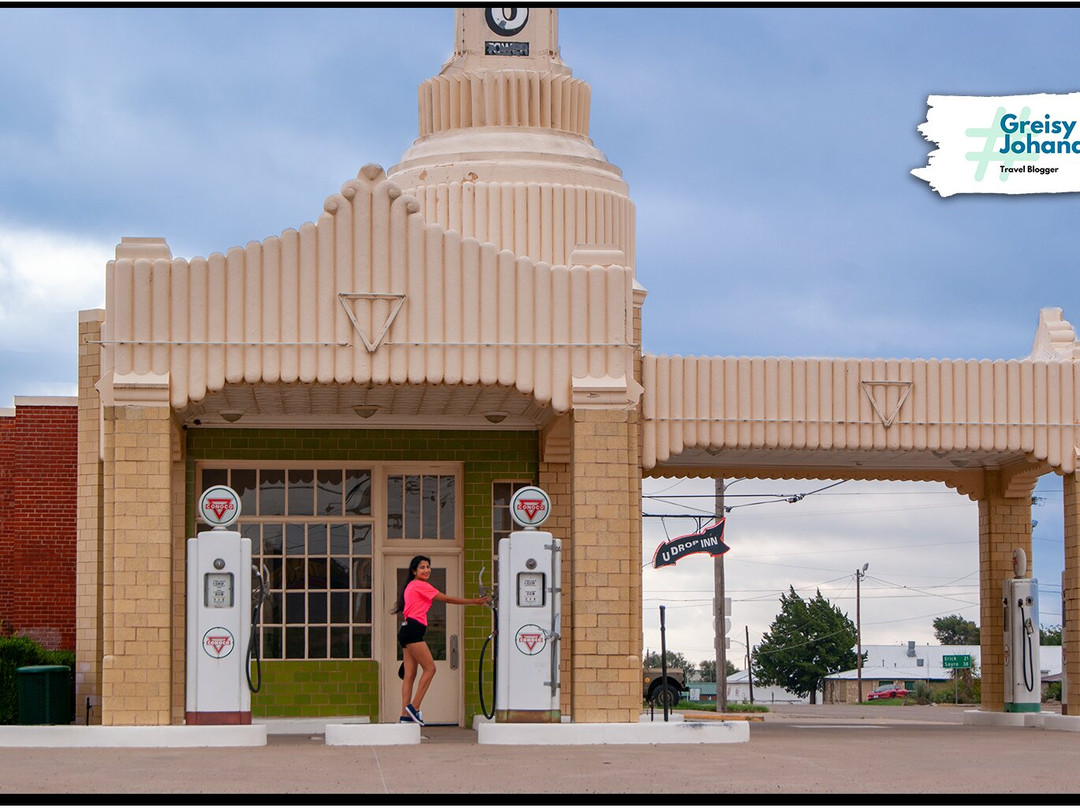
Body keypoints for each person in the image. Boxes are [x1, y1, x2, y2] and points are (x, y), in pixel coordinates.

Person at [393, 554, 490, 725]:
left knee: (410, 675)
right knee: (430, 668)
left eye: (428, 567)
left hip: (407, 630)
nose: (427, 570)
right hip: (414, 630)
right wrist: (474, 601)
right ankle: (414, 707)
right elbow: (448, 599)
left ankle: (404, 716)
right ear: (414, 571)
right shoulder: (420, 585)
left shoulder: (410, 586)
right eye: (422, 567)